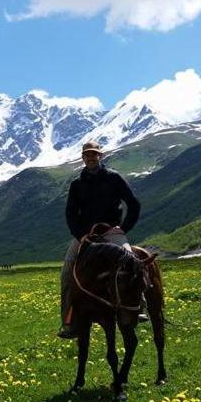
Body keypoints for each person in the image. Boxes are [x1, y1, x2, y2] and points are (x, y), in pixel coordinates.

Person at [57, 141, 141, 339]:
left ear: (100, 156)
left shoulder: (114, 178)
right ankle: (69, 322)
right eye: (87, 155)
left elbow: (134, 204)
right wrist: (80, 235)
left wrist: (123, 228)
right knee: (67, 273)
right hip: (87, 235)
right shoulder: (76, 184)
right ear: (83, 158)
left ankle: (141, 306)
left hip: (111, 232)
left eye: (94, 154)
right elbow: (70, 214)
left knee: (132, 261)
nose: (91, 158)